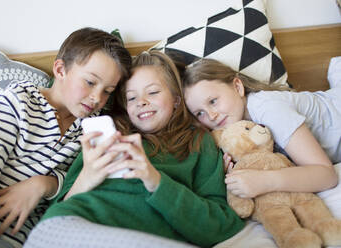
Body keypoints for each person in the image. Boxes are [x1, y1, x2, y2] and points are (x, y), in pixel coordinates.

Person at [24, 50, 244, 248]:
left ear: (177, 100)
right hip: (69, 227)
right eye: (131, 97)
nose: (142, 102)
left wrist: (156, 181)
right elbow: (57, 208)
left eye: (153, 92)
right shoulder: (108, 134)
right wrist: (88, 174)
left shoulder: (199, 142)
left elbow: (221, 225)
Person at [0, 27, 132, 248]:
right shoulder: (18, 101)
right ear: (60, 69)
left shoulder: (92, 129)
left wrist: (45, 184)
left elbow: (77, 193)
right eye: (91, 82)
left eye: (108, 91)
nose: (97, 98)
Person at [182, 58, 340, 200]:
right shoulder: (232, 133)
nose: (211, 115)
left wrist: (265, 181)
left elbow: (327, 175)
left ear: (237, 87)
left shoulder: (267, 107)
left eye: (213, 101)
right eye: (200, 113)